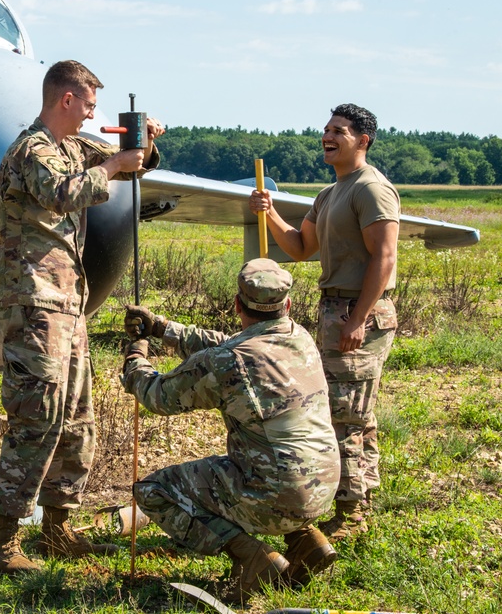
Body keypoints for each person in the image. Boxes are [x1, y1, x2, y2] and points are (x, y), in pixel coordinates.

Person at [0, 60, 165, 574]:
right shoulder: (33, 150)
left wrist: (143, 143)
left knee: (77, 418)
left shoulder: (74, 147)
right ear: (66, 100)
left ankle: (56, 526)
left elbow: (131, 163)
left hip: (67, 301)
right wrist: (113, 166)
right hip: (33, 298)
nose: (92, 114)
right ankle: (3, 543)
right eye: (88, 104)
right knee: (37, 415)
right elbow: (64, 192)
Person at [121, 258, 340, 604]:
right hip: (324, 489)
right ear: (288, 305)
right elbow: (230, 344)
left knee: (153, 490)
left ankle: (254, 560)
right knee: (273, 460)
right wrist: (163, 328)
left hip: (277, 494)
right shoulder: (301, 338)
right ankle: (307, 542)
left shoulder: (226, 362)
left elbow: (159, 396)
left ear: (237, 304)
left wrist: (135, 358)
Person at [248, 103, 399, 541]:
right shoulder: (330, 193)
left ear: (363, 140)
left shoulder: (371, 189)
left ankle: (350, 514)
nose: (328, 137)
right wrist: (269, 210)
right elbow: (299, 247)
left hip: (358, 311)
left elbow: (383, 257)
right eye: (326, 130)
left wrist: (359, 318)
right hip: (335, 309)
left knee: (343, 415)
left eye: (339, 131)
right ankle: (360, 497)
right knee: (355, 413)